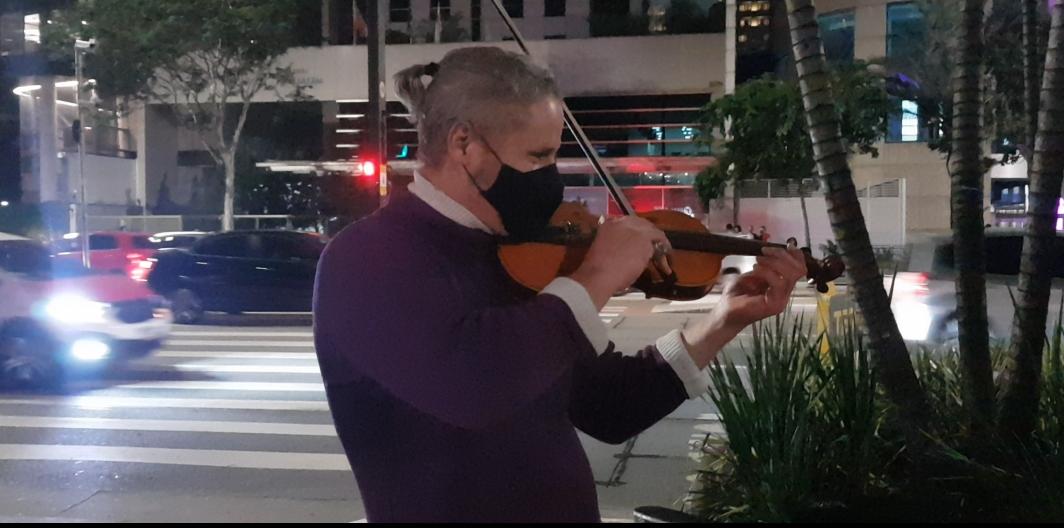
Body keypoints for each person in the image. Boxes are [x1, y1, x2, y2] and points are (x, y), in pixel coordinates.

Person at [312, 47, 807, 523]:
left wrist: (722, 322)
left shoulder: (518, 255)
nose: (551, 179)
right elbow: (473, 389)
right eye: (538, 156)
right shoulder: (368, 258)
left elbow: (607, 407)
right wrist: (593, 279)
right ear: (463, 144)